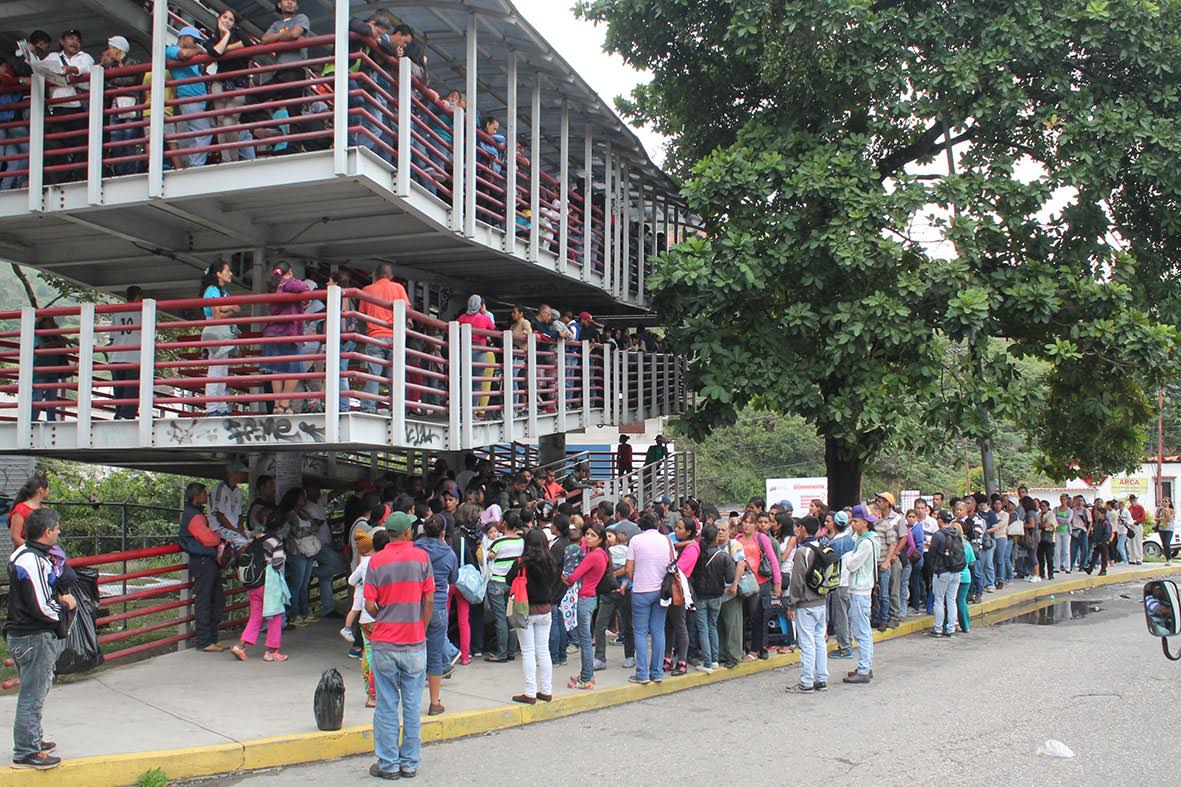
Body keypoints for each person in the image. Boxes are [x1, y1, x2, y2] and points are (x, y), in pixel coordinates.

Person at [364, 511, 433, 780]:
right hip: (414, 641)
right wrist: (422, 626)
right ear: (406, 532)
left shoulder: (376, 561)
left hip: (384, 642)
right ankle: (410, 763)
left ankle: (389, 764)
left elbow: (370, 605)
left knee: (386, 705)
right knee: (413, 705)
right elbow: (429, 600)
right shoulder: (421, 557)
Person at [6, 508, 75, 770]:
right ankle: (25, 751)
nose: (59, 531)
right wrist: (65, 606)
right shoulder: (32, 561)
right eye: (57, 528)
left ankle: (32, 739)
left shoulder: (23, 555)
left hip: (24, 634)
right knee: (32, 695)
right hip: (33, 635)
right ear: (47, 532)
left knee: (35, 689)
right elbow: (42, 606)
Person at [504, 528, 557, 703]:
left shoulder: (521, 562)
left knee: (528, 651)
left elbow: (508, 580)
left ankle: (530, 692)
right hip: (545, 610)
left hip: (524, 610)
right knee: (543, 650)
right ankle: (546, 690)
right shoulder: (550, 561)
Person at [415, 513, 458, 716]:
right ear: (443, 533)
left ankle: (411, 700)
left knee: (412, 653)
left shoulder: (414, 549)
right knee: (434, 656)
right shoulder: (449, 554)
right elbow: (453, 578)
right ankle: (434, 702)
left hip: (414, 606)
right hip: (438, 606)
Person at [231, 517, 289, 662]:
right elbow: (277, 565)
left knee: (256, 616)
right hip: (268, 584)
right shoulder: (276, 542)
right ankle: (272, 651)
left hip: (254, 585)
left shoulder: (255, 541)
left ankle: (241, 646)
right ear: (280, 527)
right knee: (276, 616)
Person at [626, 512, 673, 684]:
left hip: (641, 591)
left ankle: (642, 673)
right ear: (658, 524)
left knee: (640, 631)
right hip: (662, 590)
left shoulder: (635, 541)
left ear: (641, 526)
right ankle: (657, 671)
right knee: (658, 630)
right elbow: (672, 563)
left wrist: (635, 579)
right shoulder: (666, 540)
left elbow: (628, 568)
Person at [262, 0, 314, 154]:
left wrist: (278, 37)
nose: (290, 2)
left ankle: (294, 147)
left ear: (297, 6)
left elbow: (295, 33)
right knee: (254, 97)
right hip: (280, 71)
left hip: (295, 69)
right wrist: (286, 36)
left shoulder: (301, 18)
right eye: (286, 0)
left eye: (293, 1)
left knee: (294, 110)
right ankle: (261, 130)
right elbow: (264, 39)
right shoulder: (276, 23)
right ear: (279, 5)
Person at [358, 262, 411, 413]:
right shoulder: (398, 288)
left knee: (374, 374)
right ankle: (398, 408)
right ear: (390, 276)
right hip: (395, 336)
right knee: (396, 374)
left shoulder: (367, 290)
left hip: (375, 336)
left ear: (376, 275)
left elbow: (362, 316)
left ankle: (368, 407)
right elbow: (406, 311)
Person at [179, 482, 225, 652]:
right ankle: (205, 641)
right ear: (196, 496)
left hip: (204, 560)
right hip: (204, 561)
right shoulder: (195, 516)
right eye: (204, 494)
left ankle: (210, 639)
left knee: (214, 599)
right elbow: (210, 540)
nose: (207, 496)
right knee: (207, 600)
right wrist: (217, 537)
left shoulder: (194, 513)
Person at [206, 7, 256, 162]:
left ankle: (233, 159)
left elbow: (250, 46)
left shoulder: (238, 33)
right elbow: (214, 53)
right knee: (221, 123)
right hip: (219, 82)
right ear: (219, 19)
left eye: (230, 19)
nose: (227, 21)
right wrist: (226, 37)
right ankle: (225, 159)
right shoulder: (213, 39)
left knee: (229, 122)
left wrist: (226, 45)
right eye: (225, 18)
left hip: (238, 83)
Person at [785, 515, 829, 693]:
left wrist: (791, 604)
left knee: (807, 643)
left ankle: (806, 681)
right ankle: (821, 678)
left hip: (806, 604)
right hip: (821, 602)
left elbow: (797, 581)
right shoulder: (824, 548)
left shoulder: (802, 551)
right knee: (819, 641)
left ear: (803, 528)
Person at [562, 522, 609, 689]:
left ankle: (586, 678)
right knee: (586, 638)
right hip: (591, 597)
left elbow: (572, 577)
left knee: (585, 640)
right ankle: (587, 674)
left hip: (583, 598)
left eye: (592, 535)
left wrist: (563, 576)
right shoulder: (602, 554)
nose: (588, 538)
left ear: (600, 539)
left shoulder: (593, 556)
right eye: (587, 534)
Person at [44, 29, 94, 184]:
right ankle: (61, 178)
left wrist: (70, 69)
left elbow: (86, 68)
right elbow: (43, 69)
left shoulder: (85, 57)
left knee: (81, 144)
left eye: (77, 40)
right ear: (62, 41)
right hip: (57, 108)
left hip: (77, 108)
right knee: (57, 146)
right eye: (71, 38)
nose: (74, 42)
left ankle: (80, 178)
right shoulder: (53, 57)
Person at [261, 262, 311, 414]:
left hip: (272, 331)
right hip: (288, 331)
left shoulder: (273, 286)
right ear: (289, 271)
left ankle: (277, 405)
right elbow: (304, 288)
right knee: (294, 369)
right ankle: (284, 403)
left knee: (277, 370)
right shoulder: (286, 283)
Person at [736, 511, 782, 661]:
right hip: (742, 585)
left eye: (750, 522)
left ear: (755, 524)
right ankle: (742, 647)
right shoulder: (737, 540)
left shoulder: (761, 539)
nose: (747, 525)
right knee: (741, 618)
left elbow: (773, 561)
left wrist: (777, 582)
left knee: (758, 618)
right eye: (745, 522)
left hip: (760, 584)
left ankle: (756, 650)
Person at [841, 505, 878, 684]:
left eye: (855, 521)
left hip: (860, 590)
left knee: (862, 631)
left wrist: (847, 556)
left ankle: (864, 669)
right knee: (862, 629)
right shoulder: (864, 539)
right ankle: (865, 665)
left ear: (864, 522)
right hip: (860, 589)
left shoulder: (865, 543)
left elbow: (852, 564)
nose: (852, 524)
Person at [166, 27, 213, 168]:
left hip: (197, 99)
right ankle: (195, 165)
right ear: (184, 37)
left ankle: (194, 163)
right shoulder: (170, 50)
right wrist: (200, 51)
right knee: (204, 133)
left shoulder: (192, 55)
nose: (196, 44)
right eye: (195, 41)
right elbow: (183, 54)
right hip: (189, 98)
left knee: (198, 133)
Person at [690, 523, 733, 673]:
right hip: (717, 596)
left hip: (700, 596)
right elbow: (730, 578)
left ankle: (707, 663)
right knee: (712, 626)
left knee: (703, 628)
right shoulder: (723, 556)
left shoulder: (698, 554)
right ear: (716, 537)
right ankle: (714, 660)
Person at [199, 261, 240, 417]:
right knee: (216, 370)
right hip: (216, 330)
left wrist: (226, 308)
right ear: (218, 273)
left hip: (223, 330)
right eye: (227, 271)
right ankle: (212, 407)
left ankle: (220, 406)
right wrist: (230, 308)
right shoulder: (212, 290)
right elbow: (217, 314)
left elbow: (224, 311)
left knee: (222, 371)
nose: (230, 273)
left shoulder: (221, 291)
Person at [484, 510, 524, 663]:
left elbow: (488, 557)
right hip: (513, 584)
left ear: (504, 523)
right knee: (511, 617)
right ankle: (511, 651)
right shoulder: (522, 541)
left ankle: (501, 653)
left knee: (500, 618)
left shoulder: (498, 542)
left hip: (497, 582)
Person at [106, 286, 143, 418]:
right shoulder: (142, 311)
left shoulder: (117, 311)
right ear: (138, 297)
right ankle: (127, 417)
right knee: (131, 392)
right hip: (134, 357)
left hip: (116, 356)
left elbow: (112, 337)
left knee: (119, 392)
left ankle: (118, 415)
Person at [928, 510, 962, 638]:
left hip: (942, 571)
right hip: (956, 570)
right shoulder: (956, 533)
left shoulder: (938, 535)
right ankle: (950, 628)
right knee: (951, 600)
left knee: (939, 600)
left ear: (940, 520)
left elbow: (932, 553)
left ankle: (938, 629)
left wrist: (933, 566)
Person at [31, 316, 69, 421]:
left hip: (53, 370)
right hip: (40, 370)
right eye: (50, 320)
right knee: (37, 397)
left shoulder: (54, 335)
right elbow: (40, 347)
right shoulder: (37, 334)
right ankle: (32, 420)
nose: (52, 322)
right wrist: (57, 342)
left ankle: (51, 419)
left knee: (51, 398)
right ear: (42, 323)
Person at [209, 462, 251, 549]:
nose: (245, 475)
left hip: (235, 529)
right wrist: (235, 530)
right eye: (242, 473)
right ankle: (242, 562)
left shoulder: (238, 491)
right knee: (244, 543)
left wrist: (241, 531)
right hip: (220, 528)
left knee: (255, 540)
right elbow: (219, 516)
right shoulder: (220, 489)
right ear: (235, 473)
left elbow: (239, 515)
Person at [8, 475, 49, 548]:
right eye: (47, 487)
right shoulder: (21, 509)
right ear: (40, 489)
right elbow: (15, 537)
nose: (49, 490)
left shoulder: (44, 508)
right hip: (26, 552)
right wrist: (34, 548)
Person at [1085, 498, 1112, 576]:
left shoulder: (1105, 522)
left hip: (1103, 542)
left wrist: (1103, 541)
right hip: (1097, 542)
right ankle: (1090, 569)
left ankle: (1103, 570)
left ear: (1103, 514)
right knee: (1094, 555)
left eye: (1099, 513)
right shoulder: (1098, 522)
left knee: (1103, 557)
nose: (1097, 515)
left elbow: (1107, 533)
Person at [1128, 494, 1145, 565]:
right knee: (1130, 542)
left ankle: (1139, 558)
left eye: (1133, 500)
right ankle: (1132, 558)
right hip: (1131, 526)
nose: (1132, 502)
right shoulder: (1130, 508)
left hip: (1137, 525)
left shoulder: (1140, 507)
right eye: (1131, 500)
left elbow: (1143, 517)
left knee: (1137, 542)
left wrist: (1136, 520)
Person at [1156, 497, 1174, 565]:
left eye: (1166, 501)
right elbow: (1155, 518)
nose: (1164, 503)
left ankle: (1169, 559)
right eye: (1163, 501)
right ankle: (1168, 559)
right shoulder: (1160, 510)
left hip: (1169, 529)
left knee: (1167, 543)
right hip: (1161, 529)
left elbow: (1169, 519)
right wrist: (1161, 518)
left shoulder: (1171, 510)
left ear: (1169, 503)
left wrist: (1167, 512)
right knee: (1164, 545)